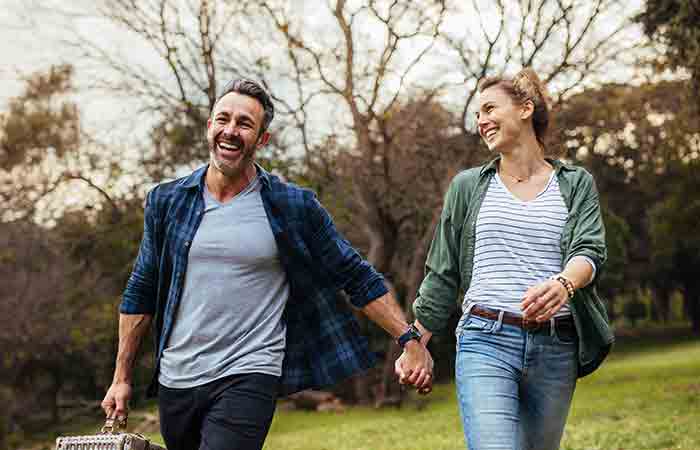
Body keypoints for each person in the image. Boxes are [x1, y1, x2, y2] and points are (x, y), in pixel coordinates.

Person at [101, 78, 433, 450]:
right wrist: (121, 376)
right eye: (222, 119)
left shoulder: (293, 206)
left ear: (262, 140)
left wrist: (409, 339)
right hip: (177, 377)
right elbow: (141, 290)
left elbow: (355, 274)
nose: (230, 130)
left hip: (250, 370)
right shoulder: (167, 201)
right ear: (209, 127)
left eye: (244, 124)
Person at [396, 68, 613, 450]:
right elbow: (442, 273)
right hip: (485, 340)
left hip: (555, 346)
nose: (481, 122)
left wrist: (564, 284)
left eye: (489, 109)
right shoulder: (468, 186)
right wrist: (416, 343)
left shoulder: (575, 183)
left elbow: (590, 250)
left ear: (526, 108)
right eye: (477, 115)